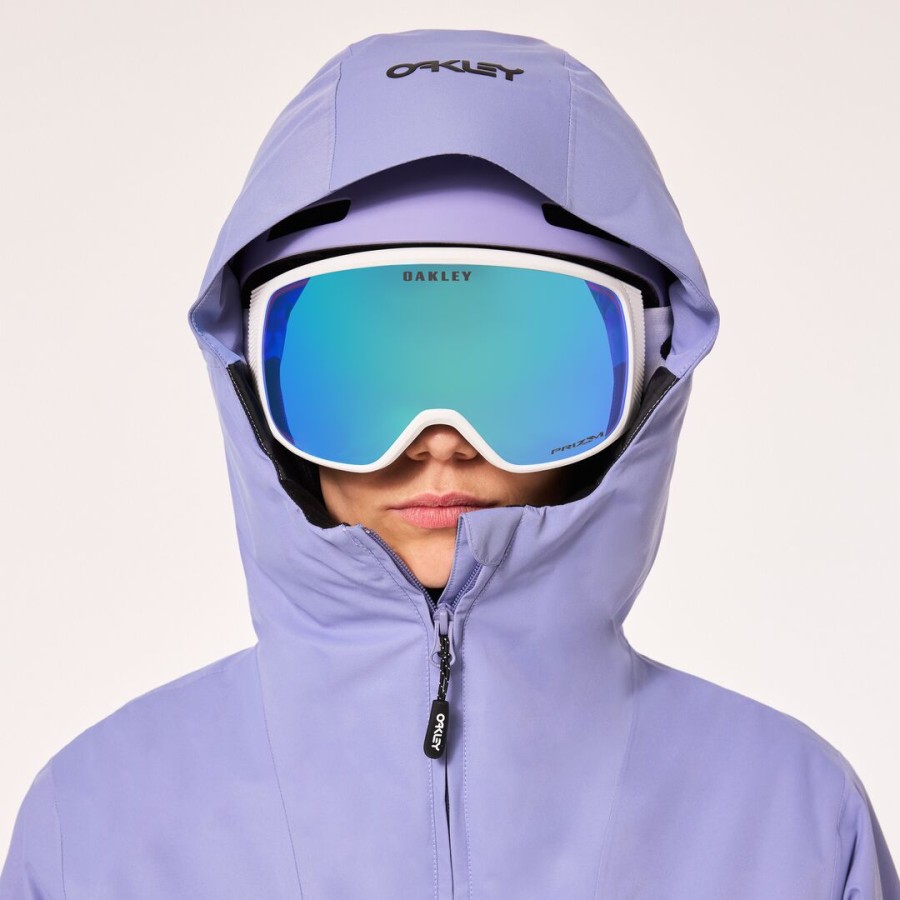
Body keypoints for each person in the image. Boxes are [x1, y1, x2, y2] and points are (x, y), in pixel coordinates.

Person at [1, 27, 897, 900]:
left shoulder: (796, 823)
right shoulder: (95, 825)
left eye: (523, 372)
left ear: (642, 395)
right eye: (360, 374)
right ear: (252, 393)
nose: (440, 440)